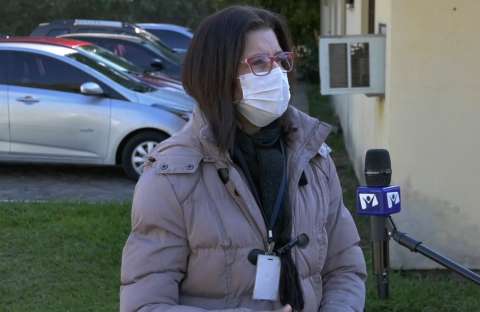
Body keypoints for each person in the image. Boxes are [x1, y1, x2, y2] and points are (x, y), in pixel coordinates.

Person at [120, 5, 366, 312]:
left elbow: (344, 268)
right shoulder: (170, 176)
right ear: (218, 74)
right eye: (260, 62)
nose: (276, 73)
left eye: (280, 60)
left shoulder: (314, 156)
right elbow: (145, 305)